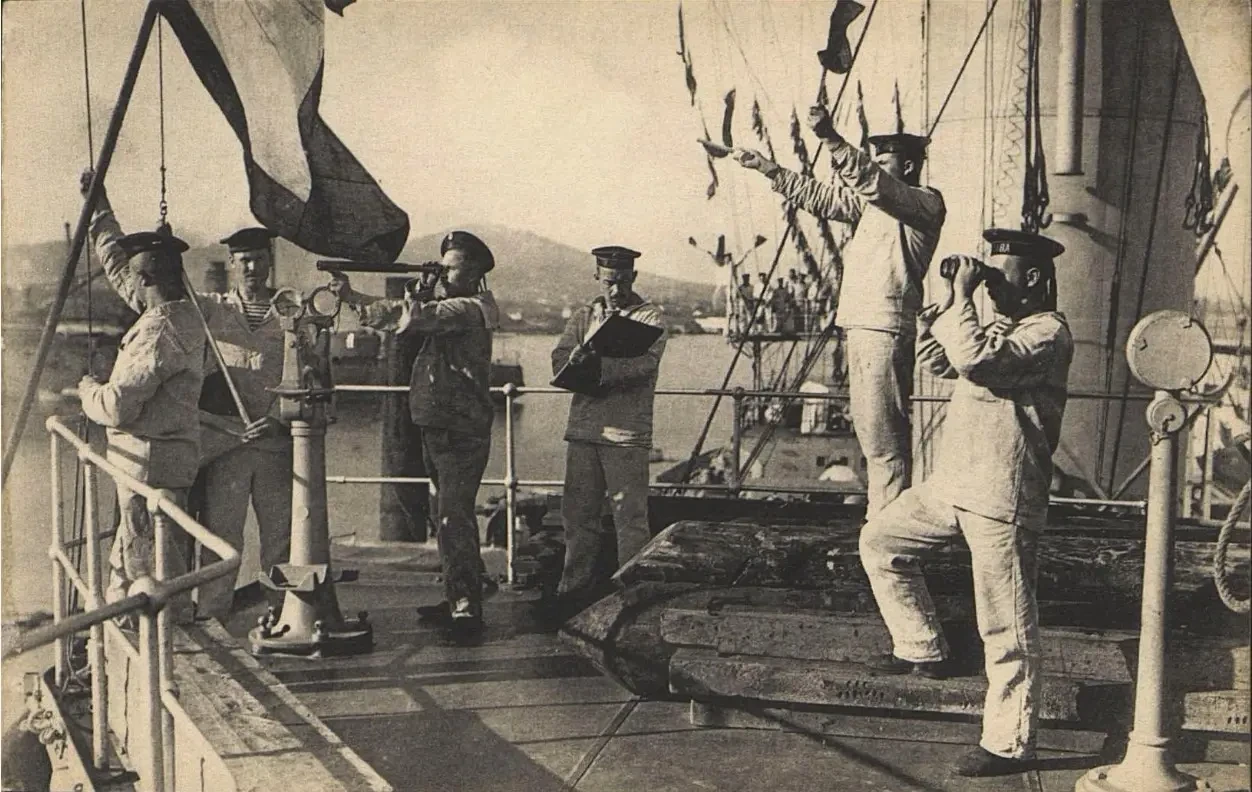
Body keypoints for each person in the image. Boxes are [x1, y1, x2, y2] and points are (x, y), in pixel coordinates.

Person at [857, 229, 1072, 777]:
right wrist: (939, 319)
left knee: (1007, 625)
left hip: (1002, 493)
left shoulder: (1047, 333)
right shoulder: (1004, 327)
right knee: (880, 541)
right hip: (956, 483)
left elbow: (978, 362)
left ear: (1034, 278)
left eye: (1001, 275)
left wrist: (961, 299)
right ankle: (921, 645)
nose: (991, 285)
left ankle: (1008, 742)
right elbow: (943, 363)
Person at [736, 105, 946, 519]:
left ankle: (887, 526)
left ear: (907, 166)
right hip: (862, 325)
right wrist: (768, 169)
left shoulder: (923, 203)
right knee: (872, 435)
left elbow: (872, 183)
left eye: (883, 162)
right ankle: (882, 521)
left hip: (884, 327)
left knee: (885, 441)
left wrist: (830, 138)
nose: (875, 169)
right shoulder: (874, 206)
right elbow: (822, 197)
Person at [330, 231, 500, 643]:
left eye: (451, 268)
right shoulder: (453, 305)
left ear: (474, 272)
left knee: (453, 516)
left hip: (459, 430)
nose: (443, 274)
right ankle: (461, 591)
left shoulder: (471, 308)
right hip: (439, 425)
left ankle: (466, 604)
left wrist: (415, 293)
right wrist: (355, 296)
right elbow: (403, 315)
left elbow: (412, 320)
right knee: (445, 515)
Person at [79, 187, 207, 623]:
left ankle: (151, 644)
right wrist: (100, 213)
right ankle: (150, 629)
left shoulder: (157, 332)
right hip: (168, 462)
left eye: (134, 279)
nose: (128, 286)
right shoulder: (185, 316)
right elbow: (121, 269)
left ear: (146, 279)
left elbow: (117, 407)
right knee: (157, 562)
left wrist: (87, 391)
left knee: (145, 570)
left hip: (146, 468)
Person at [550, 246, 667, 614]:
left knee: (629, 519)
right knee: (578, 515)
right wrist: (572, 361)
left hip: (626, 435)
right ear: (597, 279)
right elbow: (559, 359)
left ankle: (631, 596)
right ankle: (573, 590)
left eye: (623, 282)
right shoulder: (584, 316)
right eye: (609, 282)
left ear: (634, 277)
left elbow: (644, 366)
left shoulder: (649, 317)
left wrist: (595, 364)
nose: (616, 290)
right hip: (585, 431)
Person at [191, 227, 293, 620]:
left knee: (280, 537)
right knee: (221, 538)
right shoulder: (213, 311)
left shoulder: (290, 313)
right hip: (227, 446)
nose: (252, 267)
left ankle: (284, 612)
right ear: (232, 264)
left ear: (269, 262)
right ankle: (212, 615)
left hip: (274, 445)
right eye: (244, 260)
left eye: (259, 259)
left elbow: (307, 372)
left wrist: (276, 418)